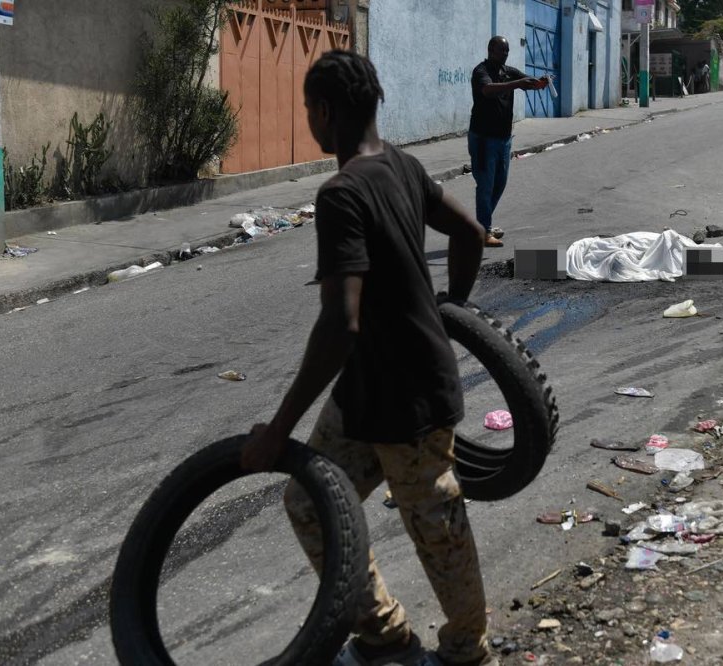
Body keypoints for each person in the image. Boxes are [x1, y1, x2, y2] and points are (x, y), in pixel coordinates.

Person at [242, 50, 498, 666]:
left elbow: (340, 323)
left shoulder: (340, 195)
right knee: (310, 504)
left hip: (409, 401)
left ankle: (470, 652)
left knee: (435, 526)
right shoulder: (405, 167)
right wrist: (450, 311)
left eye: (308, 109)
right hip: (363, 396)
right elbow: (469, 233)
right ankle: (384, 636)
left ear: (325, 112)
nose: (309, 118)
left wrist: (278, 430)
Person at [468, 36, 548, 248]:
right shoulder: (481, 72)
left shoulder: (508, 71)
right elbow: (488, 90)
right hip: (483, 139)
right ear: (490, 50)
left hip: (503, 140)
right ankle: (483, 231)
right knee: (485, 185)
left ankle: (479, 226)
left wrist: (540, 82)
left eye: (507, 50)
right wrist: (517, 84)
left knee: (499, 184)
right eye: (501, 50)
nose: (505, 54)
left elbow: (528, 82)